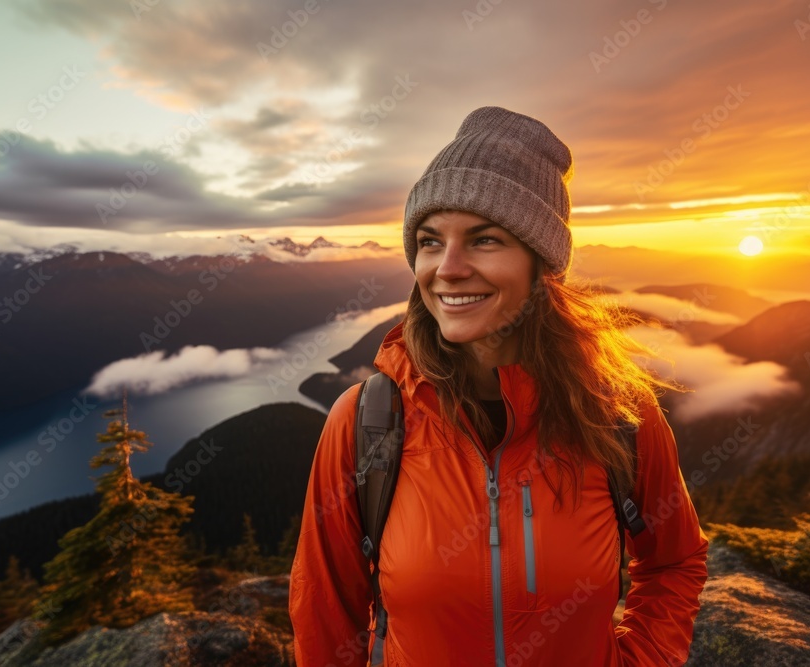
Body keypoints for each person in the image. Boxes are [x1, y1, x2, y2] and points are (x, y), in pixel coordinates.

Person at [289, 106, 709, 666]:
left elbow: (674, 561)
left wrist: (643, 661)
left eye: (485, 240)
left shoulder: (619, 416)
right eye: (431, 241)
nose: (448, 268)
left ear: (541, 266)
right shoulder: (368, 422)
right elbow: (325, 607)